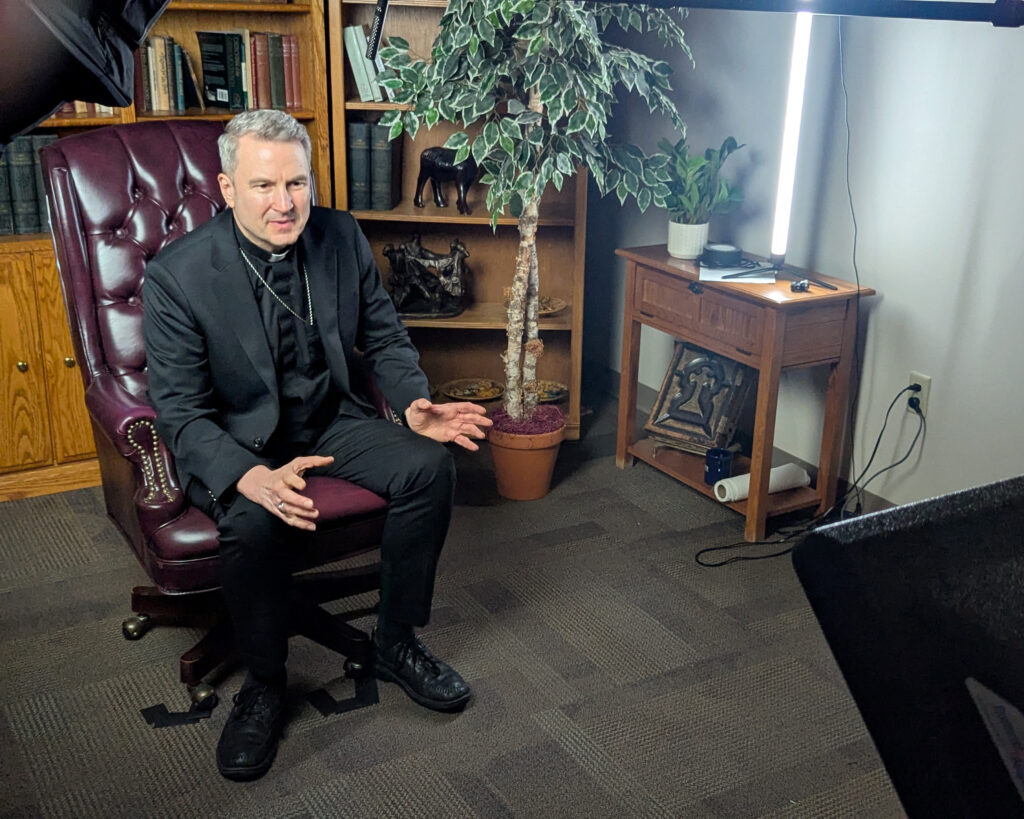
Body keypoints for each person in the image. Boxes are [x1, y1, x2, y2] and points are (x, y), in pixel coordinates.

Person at [142, 109, 492, 782]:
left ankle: (395, 641)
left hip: (329, 419)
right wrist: (246, 475)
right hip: (238, 439)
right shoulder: (178, 277)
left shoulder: (340, 235)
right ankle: (264, 684)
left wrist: (415, 404)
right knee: (249, 521)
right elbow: (181, 413)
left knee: (428, 468)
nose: (285, 203)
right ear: (226, 187)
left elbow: (385, 336)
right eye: (265, 185)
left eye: (297, 183)